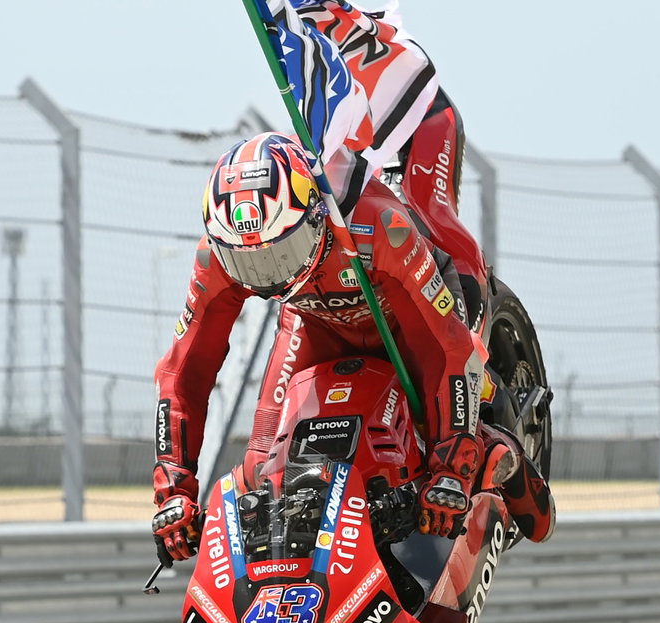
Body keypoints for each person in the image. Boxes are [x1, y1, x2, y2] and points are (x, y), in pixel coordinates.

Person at [150, 133, 553, 561]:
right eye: (248, 263)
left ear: (315, 216)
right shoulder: (217, 256)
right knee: (260, 470)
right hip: (315, 320)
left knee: (442, 438)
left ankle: (507, 462)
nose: (266, 275)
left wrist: (451, 467)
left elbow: (447, 349)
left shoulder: (379, 227)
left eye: (280, 253)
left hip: (412, 314)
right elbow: (182, 373)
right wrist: (174, 489)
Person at [271, 1, 491, 312]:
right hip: (362, 136)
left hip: (422, 116)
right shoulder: (287, 30)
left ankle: (475, 308)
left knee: (426, 206)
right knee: (367, 219)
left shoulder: (303, 16)